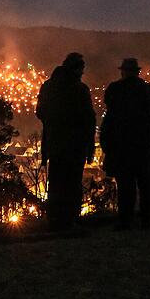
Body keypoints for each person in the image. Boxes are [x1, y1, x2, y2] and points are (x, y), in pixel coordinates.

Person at [36, 52, 95, 231]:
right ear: (76, 69)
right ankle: (70, 220)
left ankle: (54, 219)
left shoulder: (48, 87)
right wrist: (89, 147)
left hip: (54, 143)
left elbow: (40, 112)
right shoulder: (80, 90)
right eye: (82, 70)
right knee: (72, 183)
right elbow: (89, 120)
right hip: (75, 145)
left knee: (56, 182)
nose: (83, 73)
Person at [99, 58, 150, 230]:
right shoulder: (147, 90)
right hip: (142, 145)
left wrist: (107, 144)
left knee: (125, 185)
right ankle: (146, 219)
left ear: (123, 71)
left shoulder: (115, 90)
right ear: (137, 72)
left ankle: (125, 220)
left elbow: (109, 121)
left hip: (122, 146)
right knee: (144, 184)